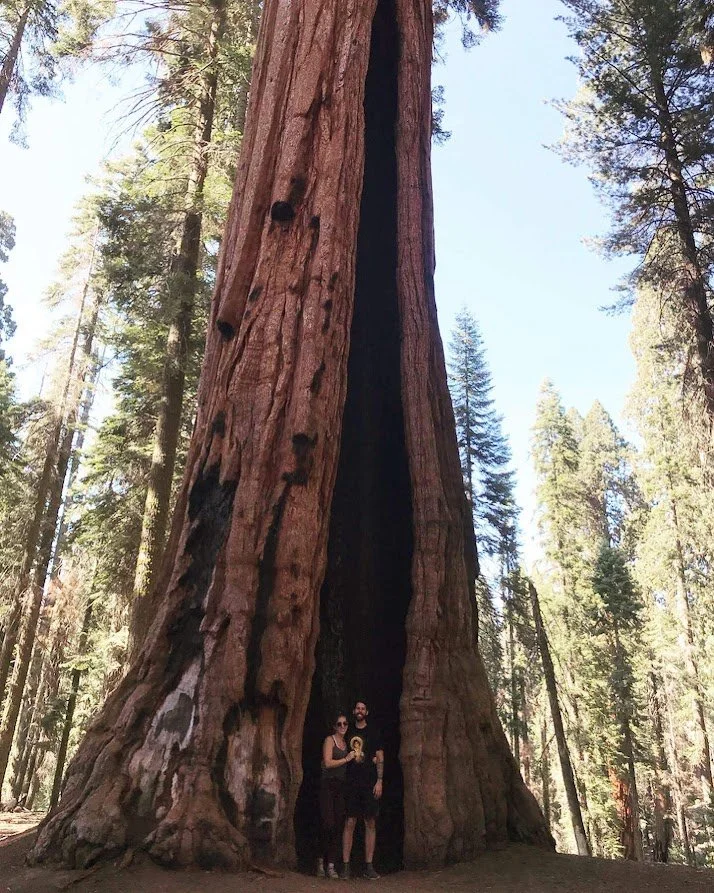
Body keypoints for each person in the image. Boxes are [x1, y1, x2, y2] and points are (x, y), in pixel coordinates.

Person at [340, 700, 384, 880]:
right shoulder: (347, 731)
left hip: (369, 784)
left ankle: (369, 866)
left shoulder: (374, 732)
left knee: (370, 822)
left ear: (367, 712)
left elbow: (380, 757)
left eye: (363, 708)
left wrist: (380, 781)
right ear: (353, 711)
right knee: (350, 822)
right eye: (357, 708)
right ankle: (345, 866)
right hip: (351, 784)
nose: (360, 710)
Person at [317, 712, 355, 879]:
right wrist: (346, 759)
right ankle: (320, 861)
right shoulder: (329, 740)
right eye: (339, 724)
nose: (342, 726)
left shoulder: (348, 743)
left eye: (345, 723)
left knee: (339, 824)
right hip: (327, 786)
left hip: (341, 787)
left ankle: (331, 865)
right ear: (334, 726)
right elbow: (327, 762)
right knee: (328, 823)